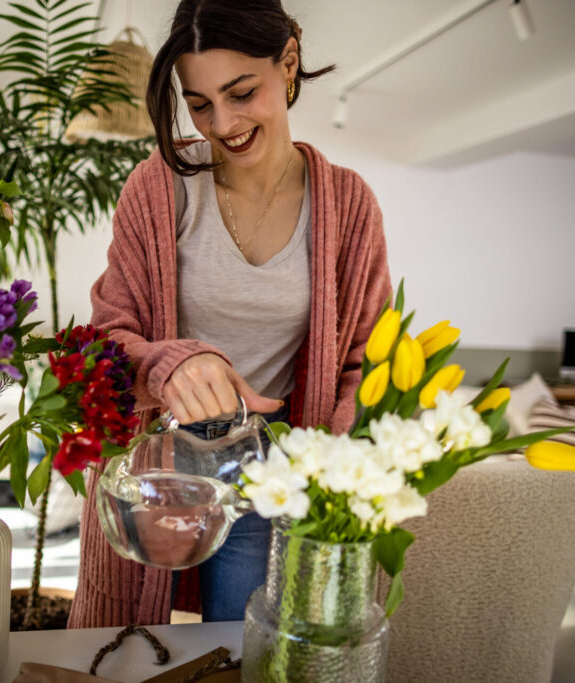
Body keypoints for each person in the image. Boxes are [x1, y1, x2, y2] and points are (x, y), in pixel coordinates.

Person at [68, 0, 392, 628]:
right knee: (133, 642)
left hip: (280, 469)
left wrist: (327, 477)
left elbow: (363, 359)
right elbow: (107, 339)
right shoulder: (159, 186)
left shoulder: (349, 204)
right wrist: (171, 365)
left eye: (242, 93)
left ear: (288, 63)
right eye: (200, 104)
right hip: (159, 468)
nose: (223, 123)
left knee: (244, 647)